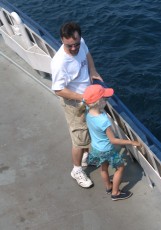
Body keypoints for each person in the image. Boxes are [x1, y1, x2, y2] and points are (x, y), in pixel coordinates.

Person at [51, 22, 103, 188]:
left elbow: (86, 54)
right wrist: (83, 97)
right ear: (62, 40)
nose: (74, 48)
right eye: (70, 45)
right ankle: (77, 170)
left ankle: (86, 157)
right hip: (74, 104)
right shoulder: (60, 62)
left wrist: (93, 70)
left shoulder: (81, 43)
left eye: (76, 44)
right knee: (79, 139)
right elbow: (58, 89)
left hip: (87, 99)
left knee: (89, 130)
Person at [80, 84, 140, 200]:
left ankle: (108, 187)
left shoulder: (87, 111)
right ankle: (115, 193)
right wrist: (132, 142)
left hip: (96, 148)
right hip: (107, 150)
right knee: (120, 167)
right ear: (99, 102)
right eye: (105, 98)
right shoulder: (103, 120)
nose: (106, 100)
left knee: (104, 167)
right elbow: (113, 140)